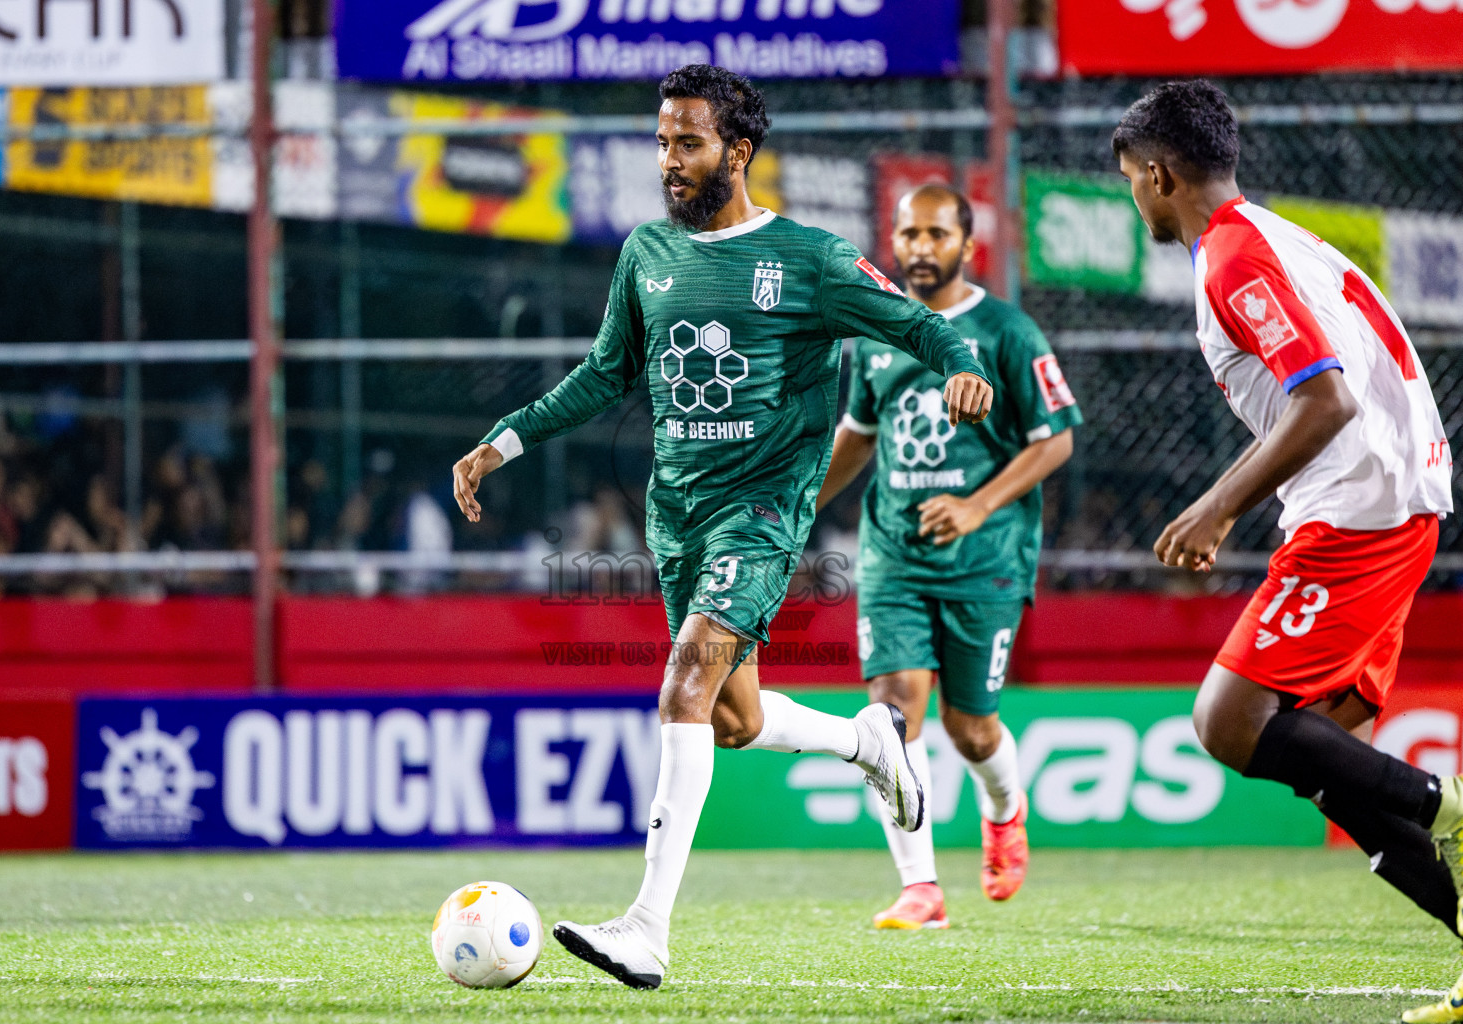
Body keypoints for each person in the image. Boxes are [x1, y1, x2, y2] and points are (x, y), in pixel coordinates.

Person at [452, 64, 993, 989]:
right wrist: (502, 441)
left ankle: (646, 930)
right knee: (735, 719)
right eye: (663, 141)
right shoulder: (646, 253)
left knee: (685, 685)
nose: (670, 159)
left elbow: (916, 325)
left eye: (689, 142)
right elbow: (604, 373)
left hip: (762, 514)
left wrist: (962, 364)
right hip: (678, 521)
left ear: (737, 152)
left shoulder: (811, 259)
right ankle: (870, 743)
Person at [1112, 79, 1461, 1023]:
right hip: (1391, 501)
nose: (1134, 199)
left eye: (1131, 181)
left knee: (1227, 721)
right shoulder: (1268, 235)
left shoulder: (1233, 257)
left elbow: (1325, 399)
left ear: (1159, 175)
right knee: (1334, 767)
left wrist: (1216, 507)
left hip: (1358, 513)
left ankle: (1448, 808)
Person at [815, 185, 1081, 928]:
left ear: (968, 245)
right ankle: (920, 886)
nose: (922, 247)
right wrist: (797, 509)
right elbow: (860, 434)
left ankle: (1005, 808)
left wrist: (976, 506)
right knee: (893, 710)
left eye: (938, 234)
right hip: (893, 556)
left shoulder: (1007, 331)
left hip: (984, 558)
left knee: (971, 729)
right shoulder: (878, 331)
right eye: (910, 234)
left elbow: (1055, 439)